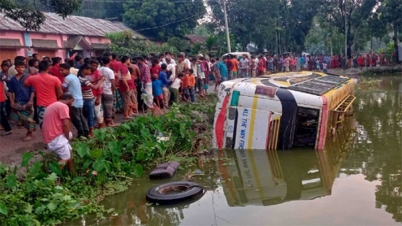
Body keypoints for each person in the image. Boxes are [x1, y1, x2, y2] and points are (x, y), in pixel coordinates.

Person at [42, 93, 75, 173]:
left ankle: (72, 172)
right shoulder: (63, 106)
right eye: (72, 101)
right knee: (65, 158)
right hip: (55, 136)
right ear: (68, 99)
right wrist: (67, 137)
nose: (72, 103)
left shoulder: (53, 105)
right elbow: (66, 124)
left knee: (69, 152)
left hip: (52, 134)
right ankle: (52, 175)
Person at [25, 60, 63, 128]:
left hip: (41, 105)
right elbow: (60, 92)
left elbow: (25, 84)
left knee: (43, 124)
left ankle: (46, 137)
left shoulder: (33, 78)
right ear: (48, 68)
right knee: (54, 123)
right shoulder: (55, 79)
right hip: (53, 103)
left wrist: (30, 75)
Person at [8, 60, 36, 141]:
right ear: (15, 68)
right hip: (18, 102)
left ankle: (30, 134)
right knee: (20, 119)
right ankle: (29, 132)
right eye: (18, 67)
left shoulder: (29, 78)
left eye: (22, 67)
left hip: (27, 101)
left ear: (25, 68)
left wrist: (31, 101)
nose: (20, 69)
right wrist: (12, 102)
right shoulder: (13, 79)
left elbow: (33, 90)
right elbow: (10, 91)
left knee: (29, 119)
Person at [61, 63, 88, 138]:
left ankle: (81, 133)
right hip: (79, 100)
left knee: (76, 119)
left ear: (67, 70)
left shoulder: (68, 78)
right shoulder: (74, 77)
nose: (61, 72)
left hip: (74, 101)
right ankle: (86, 131)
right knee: (81, 117)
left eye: (62, 70)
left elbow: (62, 88)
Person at [99, 56, 116, 126]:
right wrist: (113, 90)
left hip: (100, 90)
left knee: (102, 107)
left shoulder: (98, 69)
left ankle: (103, 122)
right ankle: (108, 122)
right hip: (108, 90)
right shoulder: (110, 71)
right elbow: (113, 82)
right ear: (109, 62)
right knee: (109, 107)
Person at [0, 60, 12, 136]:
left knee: (1, 114)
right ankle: (8, 129)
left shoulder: (0, 75)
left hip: (0, 97)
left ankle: (8, 129)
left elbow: (8, 80)